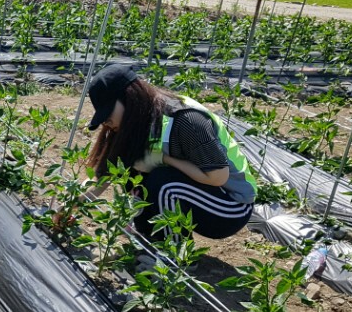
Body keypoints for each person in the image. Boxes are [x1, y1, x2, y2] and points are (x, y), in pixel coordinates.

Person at [85, 64, 257, 240]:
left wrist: (164, 159)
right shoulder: (135, 122)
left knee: (163, 182)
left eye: (107, 114)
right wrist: (71, 204)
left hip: (230, 206)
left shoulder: (186, 120)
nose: (106, 122)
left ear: (128, 98)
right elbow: (107, 173)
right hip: (201, 193)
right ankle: (147, 236)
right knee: (133, 164)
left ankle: (173, 255)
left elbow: (218, 177)